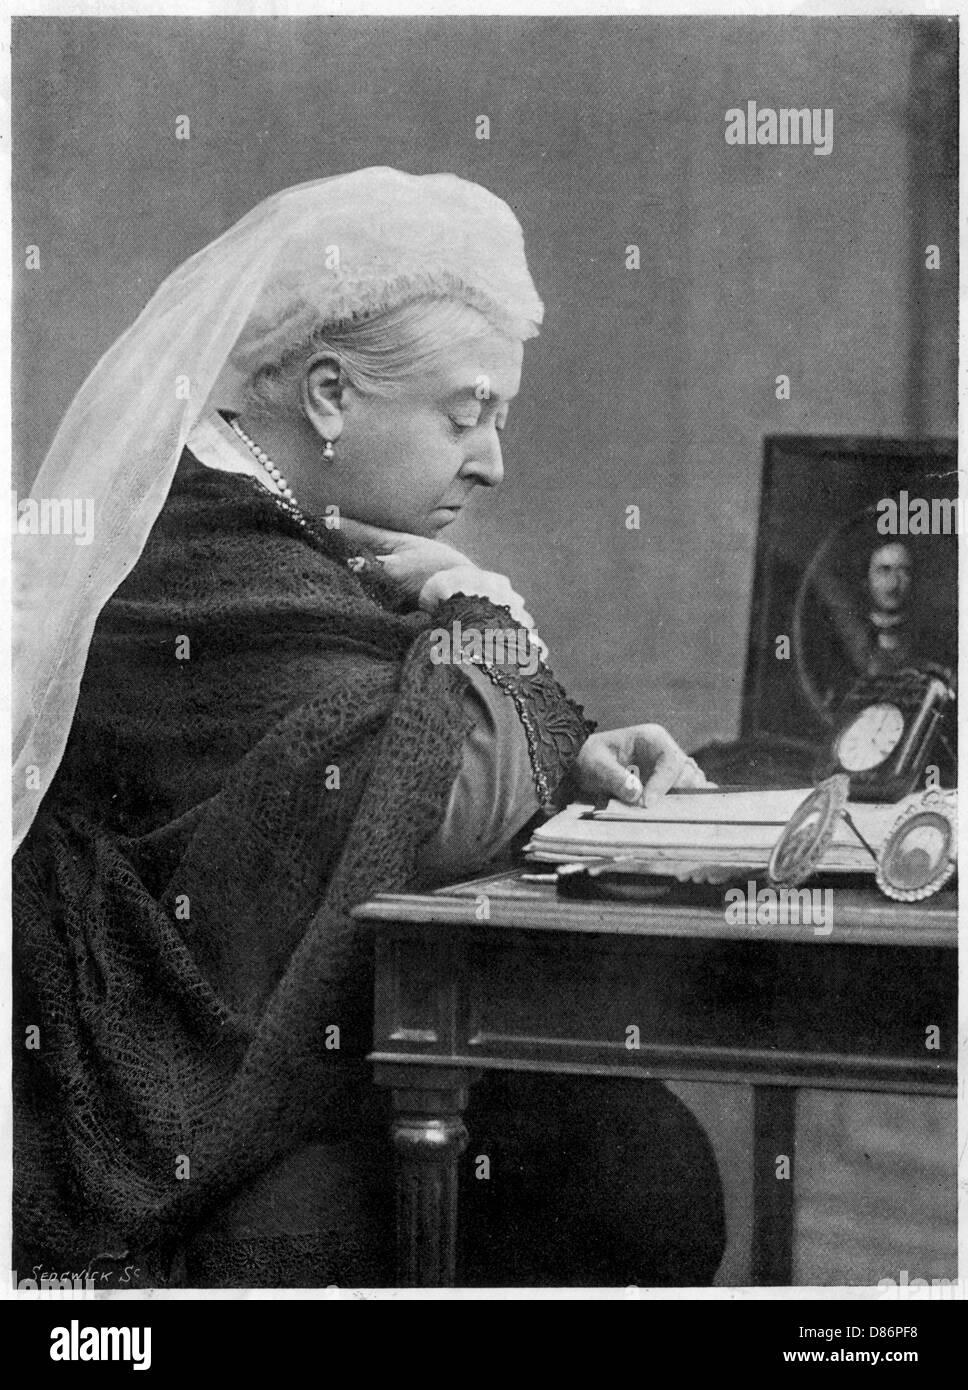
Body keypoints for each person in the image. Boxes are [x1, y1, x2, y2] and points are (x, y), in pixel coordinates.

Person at [13, 167, 725, 1288]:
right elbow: (437, 787)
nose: (491, 459)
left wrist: (563, 750)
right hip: (139, 1124)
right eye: (466, 412)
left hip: (259, 1080)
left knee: (634, 1154)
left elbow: (429, 730)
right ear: (332, 395)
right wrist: (473, 602)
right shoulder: (197, 553)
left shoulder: (282, 532)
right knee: (631, 1174)